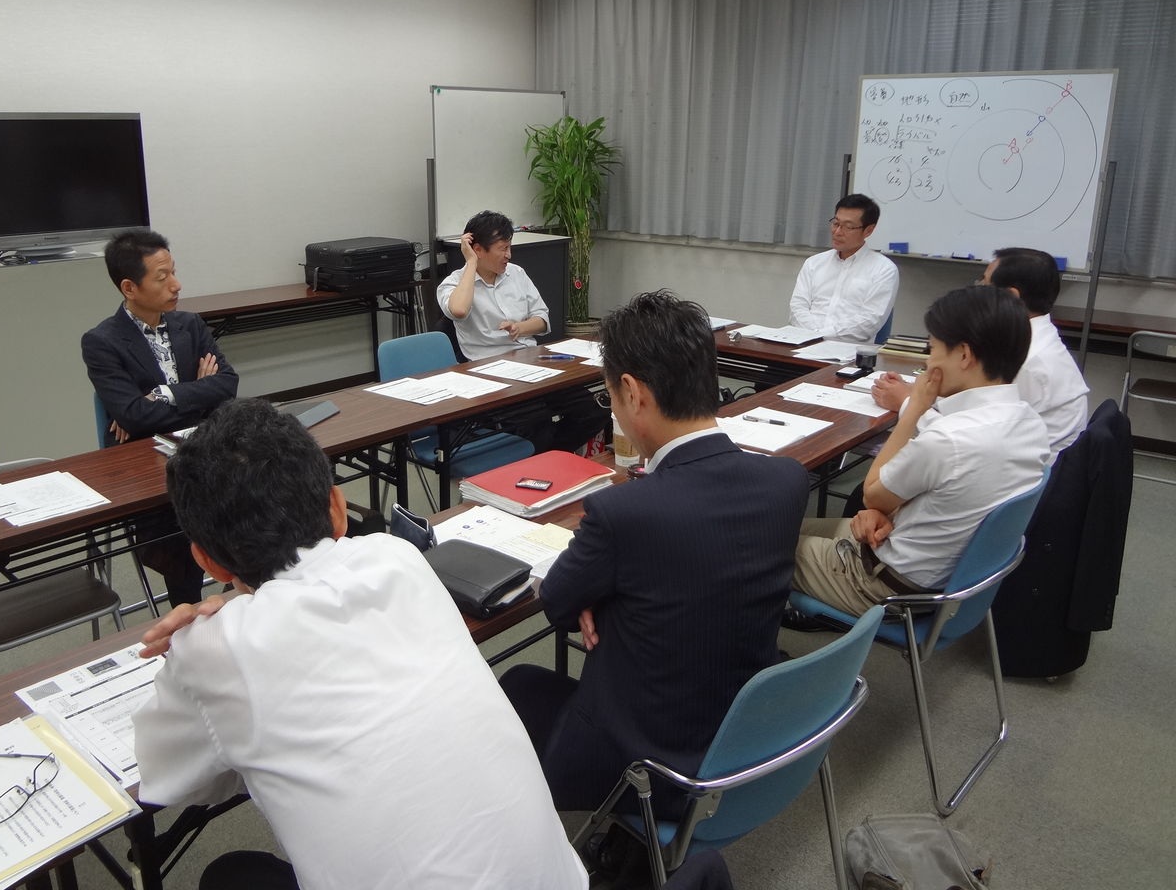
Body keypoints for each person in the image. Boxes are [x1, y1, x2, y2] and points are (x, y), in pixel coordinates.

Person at [131, 399, 587, 890]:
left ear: (206, 561)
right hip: (559, 881)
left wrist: (198, 640)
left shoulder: (217, 649)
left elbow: (171, 779)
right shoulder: (397, 556)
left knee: (230, 875)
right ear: (337, 507)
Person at [500, 290, 809, 814]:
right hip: (743, 735)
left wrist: (596, 592)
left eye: (610, 399)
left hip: (647, 766)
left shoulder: (623, 513)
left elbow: (557, 603)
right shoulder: (787, 481)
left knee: (518, 684)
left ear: (632, 393)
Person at [793, 285, 1049, 617]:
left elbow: (873, 495)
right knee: (781, 526)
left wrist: (914, 409)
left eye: (933, 348)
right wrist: (888, 513)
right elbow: (952, 489)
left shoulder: (948, 438)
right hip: (935, 573)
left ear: (964, 355)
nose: (928, 361)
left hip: (882, 584)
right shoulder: (1030, 424)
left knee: (751, 545)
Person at [81, 229, 238, 605]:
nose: (176, 285)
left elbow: (227, 384)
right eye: (162, 277)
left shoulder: (190, 324)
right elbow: (135, 416)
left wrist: (164, 394)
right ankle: (188, 611)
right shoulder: (102, 342)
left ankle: (241, 591)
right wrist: (197, 393)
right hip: (152, 470)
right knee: (184, 531)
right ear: (129, 288)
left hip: (207, 452)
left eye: (174, 272)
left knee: (261, 491)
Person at [871, 247, 1088, 464]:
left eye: (984, 283)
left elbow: (967, 435)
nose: (977, 289)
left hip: (1020, 471)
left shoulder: (1027, 360)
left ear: (1010, 297)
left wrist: (907, 403)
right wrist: (922, 396)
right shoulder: (1035, 337)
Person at [436, 209, 607, 453]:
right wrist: (471, 264)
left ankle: (551, 457)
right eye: (503, 248)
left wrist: (520, 327)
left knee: (593, 410)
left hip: (531, 362)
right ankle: (544, 460)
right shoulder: (454, 283)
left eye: (510, 247)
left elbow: (542, 319)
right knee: (537, 426)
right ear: (478, 249)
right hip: (490, 372)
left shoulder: (516, 274)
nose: (509, 255)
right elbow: (459, 310)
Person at [789, 193, 899, 343]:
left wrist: (820, 335)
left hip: (848, 350)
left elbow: (868, 323)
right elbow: (797, 308)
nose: (837, 232)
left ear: (868, 230)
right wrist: (813, 334)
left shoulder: (884, 270)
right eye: (835, 223)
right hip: (804, 343)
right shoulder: (814, 263)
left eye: (848, 227)